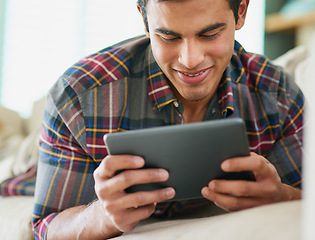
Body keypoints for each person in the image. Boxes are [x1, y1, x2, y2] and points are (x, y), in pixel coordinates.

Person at [32, 0, 305, 239]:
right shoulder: (79, 95)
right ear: (144, 20)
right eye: (169, 37)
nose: (190, 60)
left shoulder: (276, 92)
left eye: (210, 34)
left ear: (241, 11)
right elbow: (45, 225)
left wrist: (282, 196)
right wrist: (103, 216)